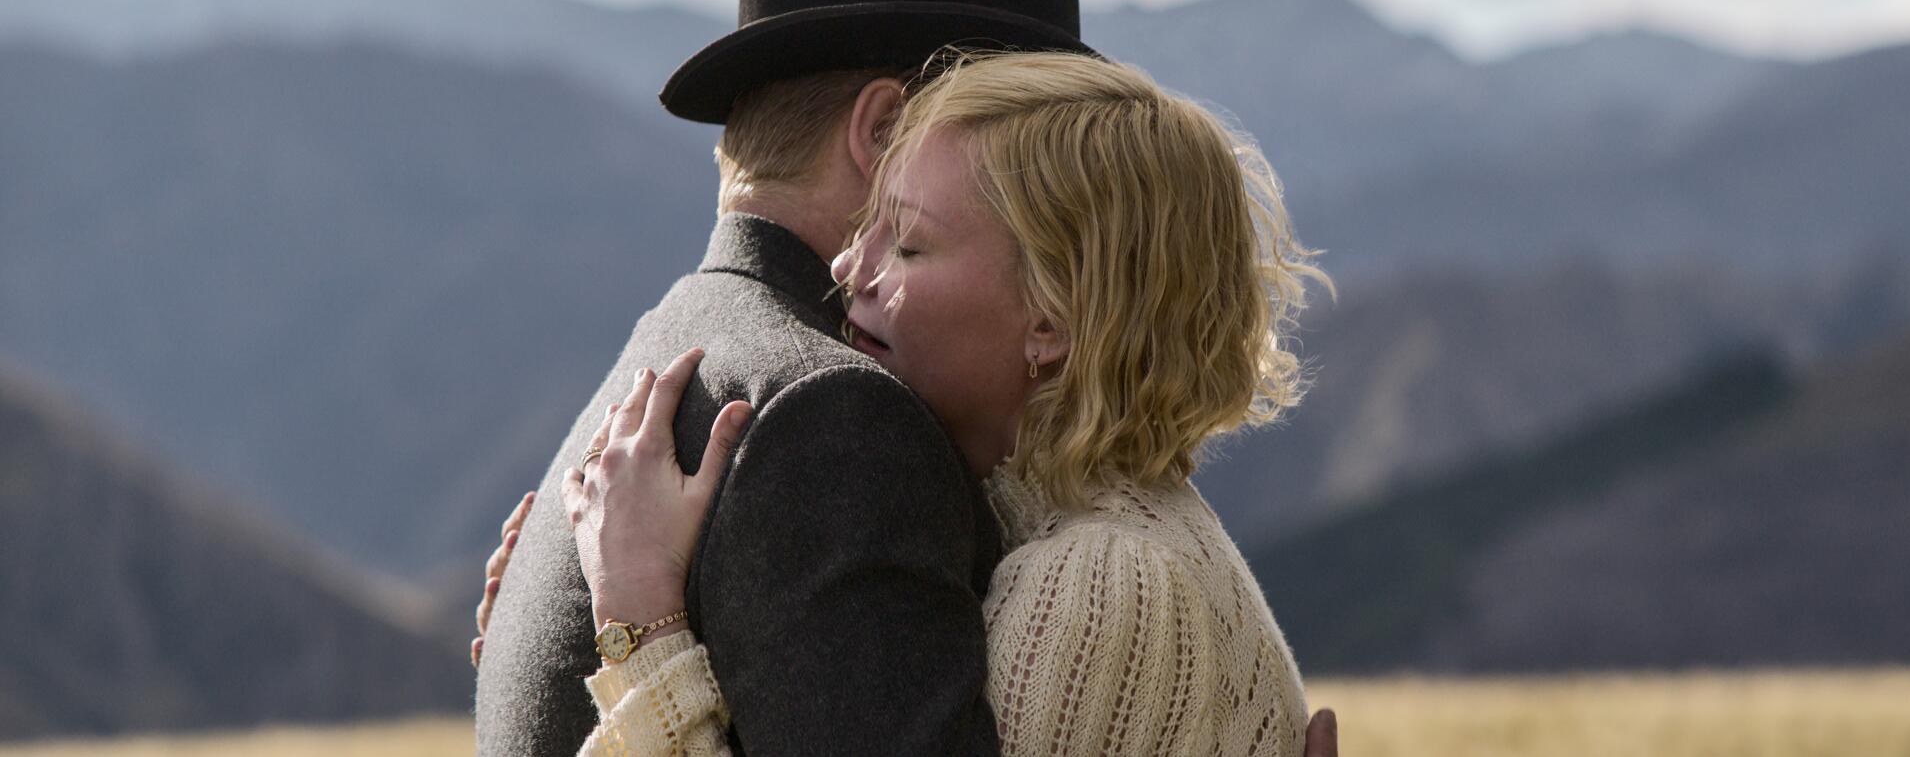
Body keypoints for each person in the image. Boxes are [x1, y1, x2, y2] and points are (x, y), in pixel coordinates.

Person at [480, 49, 1343, 755]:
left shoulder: (1096, 582)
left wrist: (639, 623)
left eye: (910, 245)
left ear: (1054, 320)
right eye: (868, 229)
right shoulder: (1083, 537)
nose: (850, 271)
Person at [471, 0, 1100, 754]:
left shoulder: (659, 366)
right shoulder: (832, 423)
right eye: (1021, 134)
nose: (1065, 190)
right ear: (885, 133)